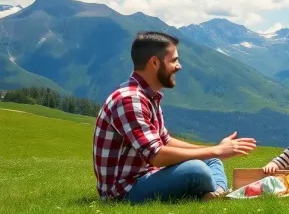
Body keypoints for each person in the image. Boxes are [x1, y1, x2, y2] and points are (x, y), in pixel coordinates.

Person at [92, 31, 257, 203]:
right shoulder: (129, 100)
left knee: (211, 161)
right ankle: (214, 192)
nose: (179, 66)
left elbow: (165, 141)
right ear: (154, 62)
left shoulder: (147, 96)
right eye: (173, 60)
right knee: (197, 169)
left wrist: (214, 151)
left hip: (147, 176)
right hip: (125, 191)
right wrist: (217, 150)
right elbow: (156, 155)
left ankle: (215, 194)